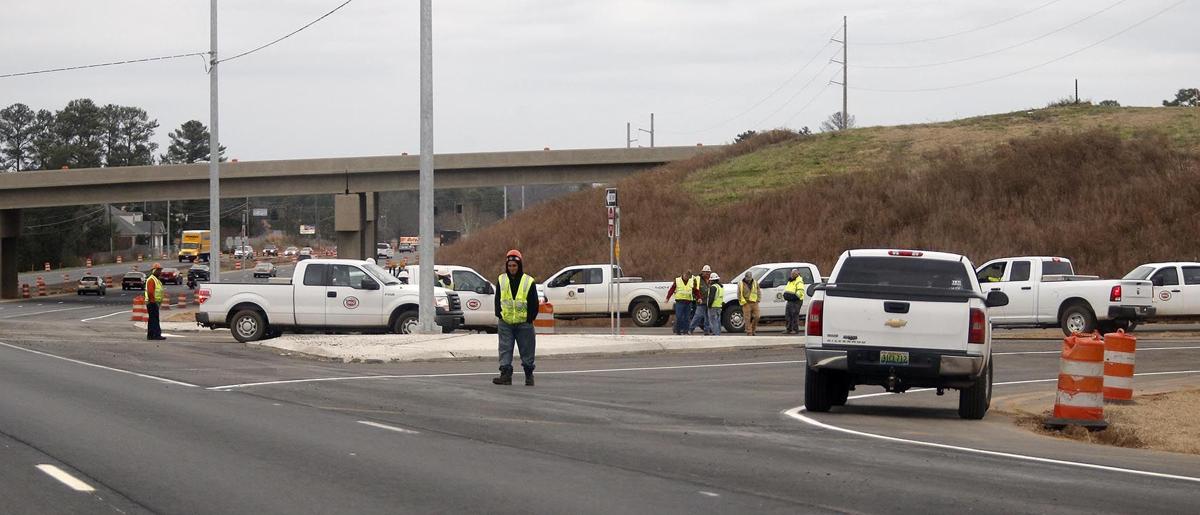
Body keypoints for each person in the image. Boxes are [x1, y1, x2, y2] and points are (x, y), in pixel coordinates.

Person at [493, 249, 540, 386]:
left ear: (519, 266)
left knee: (527, 350)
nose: (512, 268)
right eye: (510, 266)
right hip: (505, 322)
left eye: (514, 265)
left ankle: (529, 374)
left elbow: (534, 302)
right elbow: (498, 299)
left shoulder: (528, 281)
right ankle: (505, 375)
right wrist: (499, 314)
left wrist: (529, 318)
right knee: (505, 349)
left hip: (524, 323)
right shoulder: (501, 280)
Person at [664, 269, 700, 335]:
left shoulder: (692, 281)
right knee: (679, 317)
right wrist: (667, 298)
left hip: (688, 302)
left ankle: (686, 331)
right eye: (686, 276)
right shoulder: (677, 280)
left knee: (687, 318)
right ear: (683, 274)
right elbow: (672, 289)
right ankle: (678, 331)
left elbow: (695, 290)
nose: (687, 278)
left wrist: (699, 298)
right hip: (680, 302)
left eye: (688, 277)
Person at [688, 265, 713, 335]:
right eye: (706, 272)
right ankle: (690, 329)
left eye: (708, 272)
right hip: (701, 301)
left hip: (708, 302)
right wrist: (697, 298)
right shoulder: (698, 279)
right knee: (698, 316)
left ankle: (707, 331)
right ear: (702, 272)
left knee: (707, 317)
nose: (707, 273)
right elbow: (694, 290)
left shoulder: (711, 280)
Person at [145, 263, 167, 340]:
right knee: (155, 319)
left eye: (160, 270)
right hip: (152, 302)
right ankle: (157, 334)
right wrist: (153, 301)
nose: (160, 272)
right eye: (158, 270)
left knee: (152, 319)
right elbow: (150, 292)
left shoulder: (156, 280)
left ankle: (150, 335)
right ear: (154, 270)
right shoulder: (151, 279)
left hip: (153, 302)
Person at [783, 269, 806, 334]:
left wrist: (794, 297)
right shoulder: (790, 281)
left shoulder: (799, 281)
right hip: (790, 300)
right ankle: (788, 329)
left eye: (794, 274)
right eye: (792, 274)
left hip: (796, 301)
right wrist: (785, 295)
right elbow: (787, 289)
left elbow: (800, 291)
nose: (792, 275)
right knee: (788, 315)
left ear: (797, 274)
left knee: (794, 315)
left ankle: (795, 330)